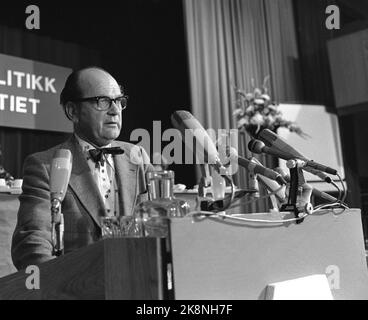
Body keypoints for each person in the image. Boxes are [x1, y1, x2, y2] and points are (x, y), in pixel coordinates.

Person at [11, 67, 152, 270]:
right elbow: (32, 244)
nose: (115, 110)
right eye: (102, 101)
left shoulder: (137, 157)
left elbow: (157, 226)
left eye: (119, 101)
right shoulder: (44, 165)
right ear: (73, 111)